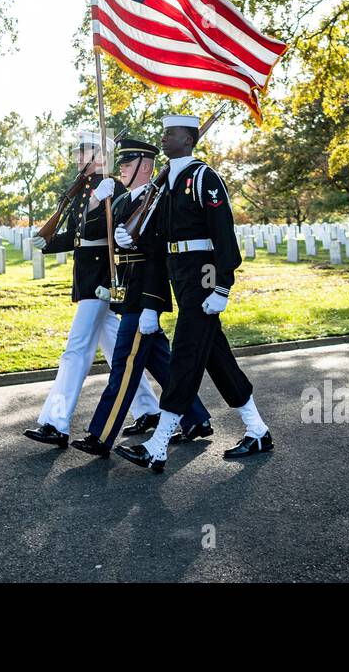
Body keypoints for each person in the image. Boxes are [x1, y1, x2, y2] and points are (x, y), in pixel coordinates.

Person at [114, 114, 273, 473]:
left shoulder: (204, 178)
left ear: (188, 138)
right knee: (216, 358)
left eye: (171, 133)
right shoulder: (165, 181)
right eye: (165, 131)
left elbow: (223, 233)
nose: (164, 137)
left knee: (185, 354)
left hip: (204, 276)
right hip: (180, 276)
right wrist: (128, 238)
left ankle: (158, 445)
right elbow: (154, 243)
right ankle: (258, 430)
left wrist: (222, 285)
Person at [70, 136, 212, 458]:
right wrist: (95, 202)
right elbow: (89, 235)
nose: (121, 168)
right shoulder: (120, 202)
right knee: (160, 361)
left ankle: (101, 435)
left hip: (143, 300)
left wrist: (151, 305)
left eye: (128, 164)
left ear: (146, 167)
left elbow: (158, 260)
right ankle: (197, 418)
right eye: (120, 163)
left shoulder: (158, 204)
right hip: (127, 295)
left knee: (124, 366)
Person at [22, 131, 159, 448]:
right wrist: (45, 242)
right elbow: (75, 235)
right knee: (115, 349)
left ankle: (56, 423)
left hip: (100, 282)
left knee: (75, 351)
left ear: (100, 155)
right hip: (88, 279)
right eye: (78, 152)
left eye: (84, 152)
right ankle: (149, 409)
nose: (78, 157)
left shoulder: (106, 186)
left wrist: (99, 201)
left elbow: (102, 230)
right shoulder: (85, 188)